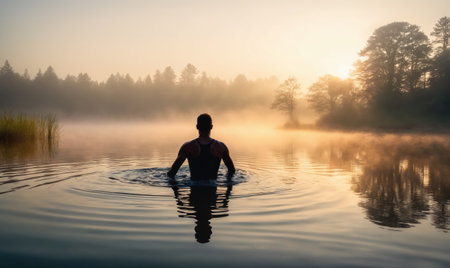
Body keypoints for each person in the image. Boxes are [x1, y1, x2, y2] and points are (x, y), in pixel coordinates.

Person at [167, 113, 235, 180]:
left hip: (194, 187)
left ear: (197, 127)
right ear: (211, 127)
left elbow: (172, 173)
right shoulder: (221, 147)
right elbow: (232, 171)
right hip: (212, 188)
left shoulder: (187, 147)